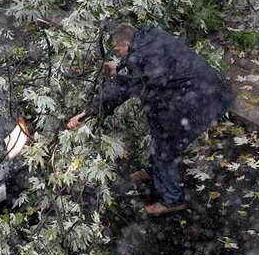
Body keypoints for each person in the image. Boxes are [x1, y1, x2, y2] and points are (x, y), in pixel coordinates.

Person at [67, 23, 234, 215]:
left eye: (119, 50)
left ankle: (172, 200)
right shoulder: (150, 37)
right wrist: (120, 68)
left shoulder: (142, 59)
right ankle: (155, 172)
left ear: (125, 43)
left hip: (200, 102)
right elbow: (136, 68)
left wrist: (88, 112)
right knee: (159, 132)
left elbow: (121, 88)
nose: (119, 53)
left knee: (166, 147)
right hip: (204, 90)